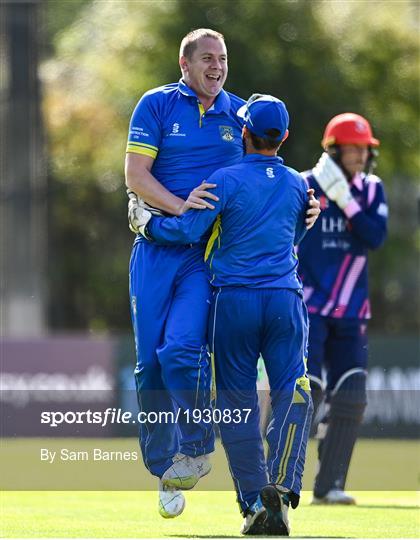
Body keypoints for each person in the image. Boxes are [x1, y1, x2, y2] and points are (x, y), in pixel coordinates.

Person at [125, 28, 320, 519]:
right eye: (207, 58)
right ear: (184, 63)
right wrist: (173, 209)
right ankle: (163, 463)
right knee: (150, 364)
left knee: (183, 348)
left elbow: (264, 165)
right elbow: (134, 175)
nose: (218, 66)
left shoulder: (239, 113)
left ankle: (195, 448)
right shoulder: (156, 104)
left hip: (201, 256)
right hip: (154, 250)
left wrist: (303, 205)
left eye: (223, 58)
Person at [297, 113, 388, 504]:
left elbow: (375, 236)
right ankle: (281, 480)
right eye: (352, 148)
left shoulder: (371, 190)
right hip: (309, 305)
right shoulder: (304, 184)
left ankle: (330, 485)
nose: (359, 155)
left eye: (364, 149)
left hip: (352, 311)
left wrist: (346, 201)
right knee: (307, 391)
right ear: (333, 150)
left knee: (351, 396)